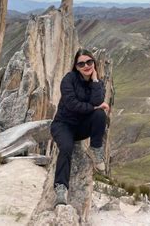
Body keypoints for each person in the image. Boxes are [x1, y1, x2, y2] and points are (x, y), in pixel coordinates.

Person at [50, 49, 111, 207]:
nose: (86, 66)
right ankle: (61, 188)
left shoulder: (97, 83)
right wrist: (92, 107)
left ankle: (95, 149)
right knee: (66, 147)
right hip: (63, 125)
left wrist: (96, 80)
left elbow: (98, 101)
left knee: (100, 115)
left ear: (94, 63)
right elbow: (72, 104)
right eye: (81, 63)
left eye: (89, 62)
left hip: (81, 127)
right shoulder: (68, 80)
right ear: (76, 66)